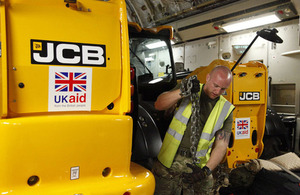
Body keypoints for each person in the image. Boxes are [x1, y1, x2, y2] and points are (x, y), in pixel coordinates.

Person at [152, 65, 235, 195]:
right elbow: (159, 104)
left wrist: (206, 170)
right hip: (169, 160)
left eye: (223, 89)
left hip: (197, 166)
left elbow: (221, 145)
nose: (217, 91)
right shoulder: (189, 88)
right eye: (215, 85)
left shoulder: (225, 109)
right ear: (208, 77)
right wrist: (182, 92)